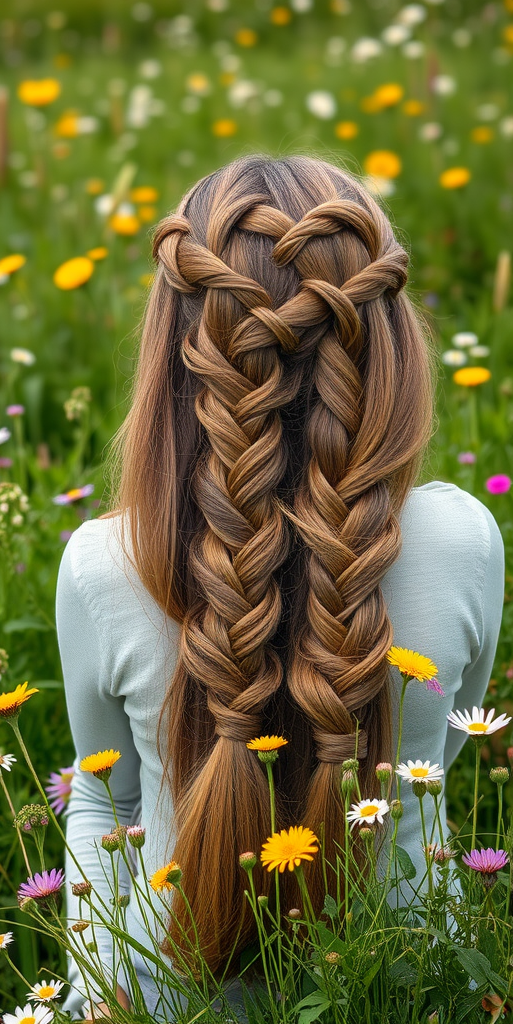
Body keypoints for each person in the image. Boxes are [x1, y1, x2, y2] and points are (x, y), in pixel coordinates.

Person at [56, 154, 505, 1019]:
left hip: (160, 998)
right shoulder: (461, 541)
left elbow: (102, 795)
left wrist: (94, 997)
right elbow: (434, 767)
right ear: (395, 341)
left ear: (171, 353)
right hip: (409, 989)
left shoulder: (105, 564)